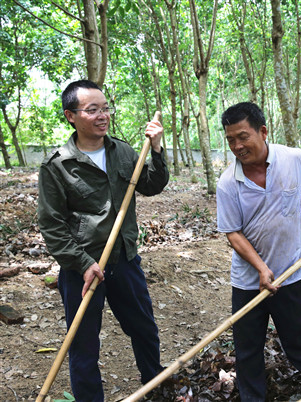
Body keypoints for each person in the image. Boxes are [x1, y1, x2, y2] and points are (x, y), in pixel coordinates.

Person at [37, 80, 169, 401]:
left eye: (105, 108)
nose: (102, 115)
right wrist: (82, 264)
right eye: (92, 110)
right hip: (81, 269)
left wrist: (156, 149)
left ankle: (157, 391)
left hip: (124, 260)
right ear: (71, 116)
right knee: (83, 346)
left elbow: (152, 185)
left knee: (145, 331)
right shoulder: (57, 166)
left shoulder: (121, 150)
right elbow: (52, 225)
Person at [216, 102, 301, 401]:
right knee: (247, 347)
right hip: (248, 281)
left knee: (300, 337)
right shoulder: (228, 182)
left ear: (263, 131)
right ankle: (252, 397)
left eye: (243, 136)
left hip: (292, 273)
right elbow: (233, 233)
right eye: (231, 139)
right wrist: (260, 268)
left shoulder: (293, 159)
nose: (237, 146)